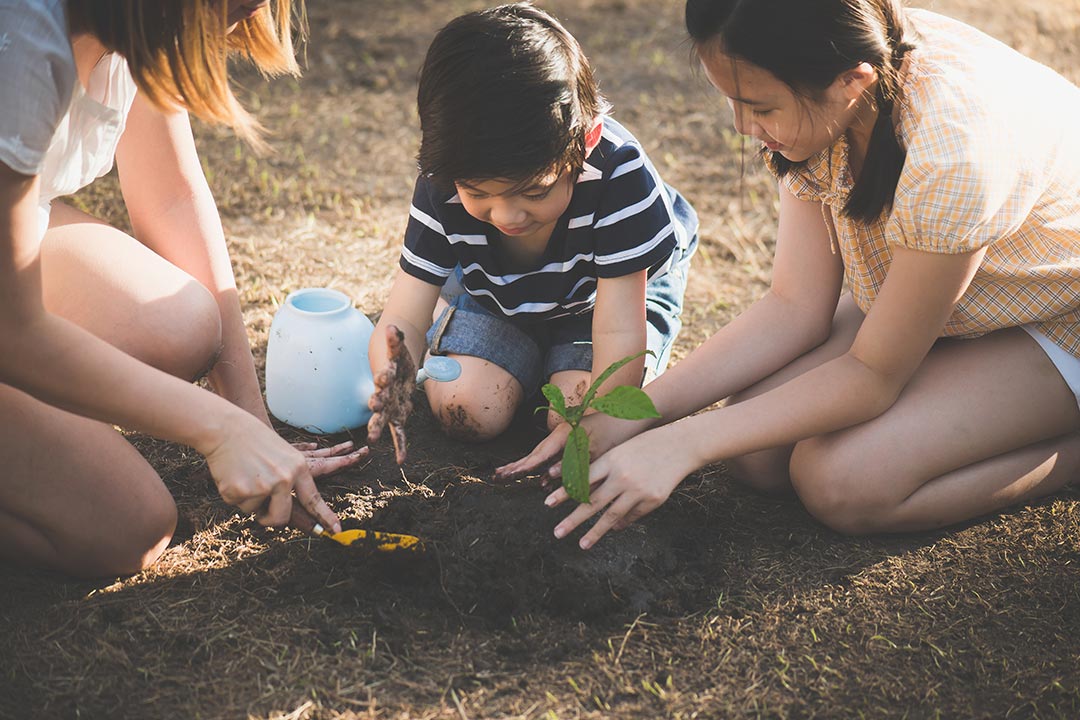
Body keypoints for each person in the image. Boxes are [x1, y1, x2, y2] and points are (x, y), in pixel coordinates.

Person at [497, 0, 1080, 550]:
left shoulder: (952, 154)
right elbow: (794, 307)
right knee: (756, 455)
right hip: (961, 297)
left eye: (760, 108)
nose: (742, 127)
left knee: (841, 482)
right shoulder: (826, 73)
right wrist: (632, 416)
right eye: (733, 101)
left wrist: (680, 444)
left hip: (1055, 316)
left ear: (852, 82)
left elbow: (874, 374)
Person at [0, 0, 366, 579]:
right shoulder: (20, 44)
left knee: (185, 324)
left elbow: (171, 196)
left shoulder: (135, 23)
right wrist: (217, 429)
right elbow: (11, 331)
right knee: (127, 526)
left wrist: (250, 416)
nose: (252, 14)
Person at [368, 3, 698, 452]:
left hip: (604, 303)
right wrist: (394, 377)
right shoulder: (446, 175)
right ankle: (517, 353)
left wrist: (597, 427)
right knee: (465, 408)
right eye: (479, 195)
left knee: (576, 414)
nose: (506, 217)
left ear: (586, 143)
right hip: (497, 296)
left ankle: (549, 365)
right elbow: (405, 313)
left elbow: (619, 333)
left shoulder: (619, 176)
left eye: (535, 192)